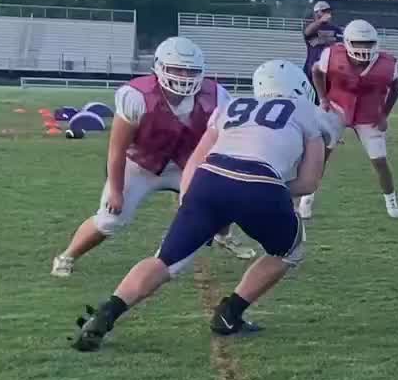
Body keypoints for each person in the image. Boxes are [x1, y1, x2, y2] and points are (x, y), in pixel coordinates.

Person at [71, 60, 328, 351]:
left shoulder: (231, 106)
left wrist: (189, 195)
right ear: (300, 87)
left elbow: (197, 158)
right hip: (260, 183)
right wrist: (269, 190)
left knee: (165, 261)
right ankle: (229, 314)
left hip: (208, 181)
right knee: (289, 250)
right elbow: (309, 183)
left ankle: (106, 314)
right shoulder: (308, 112)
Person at [52, 36, 257, 278]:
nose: (183, 75)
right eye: (176, 69)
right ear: (159, 68)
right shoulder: (136, 96)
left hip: (185, 163)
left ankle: (224, 235)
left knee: (221, 196)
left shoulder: (217, 96)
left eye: (190, 70)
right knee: (110, 219)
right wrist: (116, 190)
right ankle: (67, 256)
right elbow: (117, 148)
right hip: (141, 165)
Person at [306, 19, 398, 218]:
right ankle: (307, 198)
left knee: (380, 161)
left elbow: (396, 87)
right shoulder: (332, 54)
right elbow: (316, 71)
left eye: (368, 43)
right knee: (320, 156)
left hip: (369, 114)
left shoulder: (387, 64)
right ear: (348, 42)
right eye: (359, 43)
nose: (364, 49)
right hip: (337, 107)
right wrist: (323, 98)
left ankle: (391, 202)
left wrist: (385, 114)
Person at [301, 1, 340, 82]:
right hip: (311, 69)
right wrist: (320, 21)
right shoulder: (310, 27)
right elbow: (307, 32)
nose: (327, 13)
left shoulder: (336, 29)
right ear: (316, 13)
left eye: (328, 11)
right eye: (324, 11)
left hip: (329, 69)